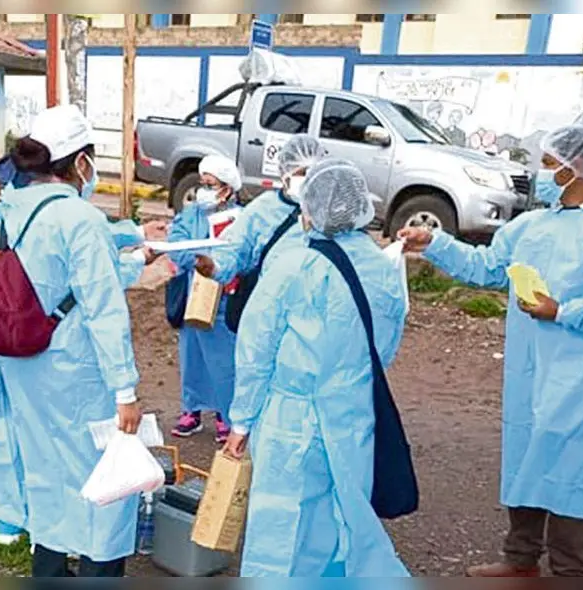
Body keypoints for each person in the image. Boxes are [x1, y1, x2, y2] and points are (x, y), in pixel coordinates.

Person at [398, 125, 583, 577]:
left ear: (574, 167)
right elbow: (488, 268)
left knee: (572, 462)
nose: (538, 172)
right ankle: (520, 558)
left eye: (546, 162)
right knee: (527, 450)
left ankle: (569, 568)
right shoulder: (534, 224)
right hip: (532, 365)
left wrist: (564, 311)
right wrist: (435, 244)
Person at [0, 105, 145, 578]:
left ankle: (48, 569)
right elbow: (103, 310)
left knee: (45, 472)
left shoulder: (9, 211)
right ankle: (100, 571)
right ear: (80, 161)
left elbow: (47, 280)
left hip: (24, 364)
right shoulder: (80, 219)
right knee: (104, 480)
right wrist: (125, 390)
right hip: (76, 372)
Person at [222, 158, 411, 577]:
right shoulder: (384, 268)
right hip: (354, 412)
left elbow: (255, 350)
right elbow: (386, 346)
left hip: (293, 417)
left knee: (283, 531)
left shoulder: (293, 267)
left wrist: (241, 422)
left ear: (309, 210)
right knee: (344, 519)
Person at [193, 134, 325, 305]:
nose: (307, 180)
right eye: (301, 173)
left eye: (312, 173)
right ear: (284, 172)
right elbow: (235, 247)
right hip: (266, 302)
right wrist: (215, 267)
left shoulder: (327, 212)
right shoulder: (263, 208)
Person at [167, 154, 243, 443]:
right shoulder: (190, 216)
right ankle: (193, 410)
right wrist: (195, 259)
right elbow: (177, 246)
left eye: (211, 184)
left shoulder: (241, 218)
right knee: (192, 357)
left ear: (227, 189)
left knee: (224, 360)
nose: (204, 191)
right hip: (194, 296)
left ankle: (226, 413)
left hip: (225, 298)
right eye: (203, 184)